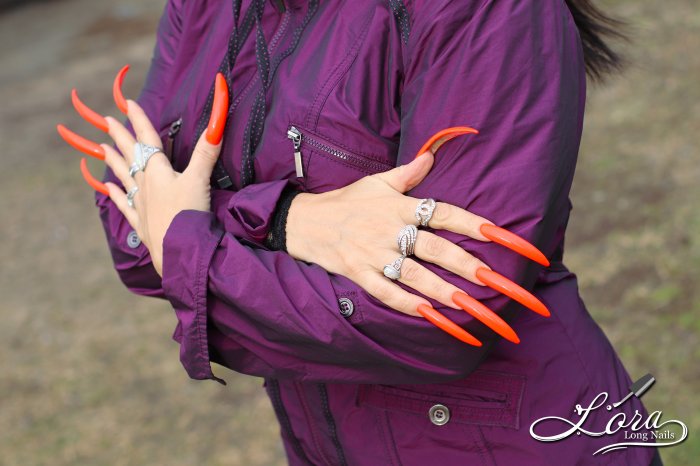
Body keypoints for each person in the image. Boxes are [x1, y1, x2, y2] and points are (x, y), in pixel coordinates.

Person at [59, 0, 664, 464]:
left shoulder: (489, 11)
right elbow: (133, 229)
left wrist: (189, 241)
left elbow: (444, 317)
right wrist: (295, 220)